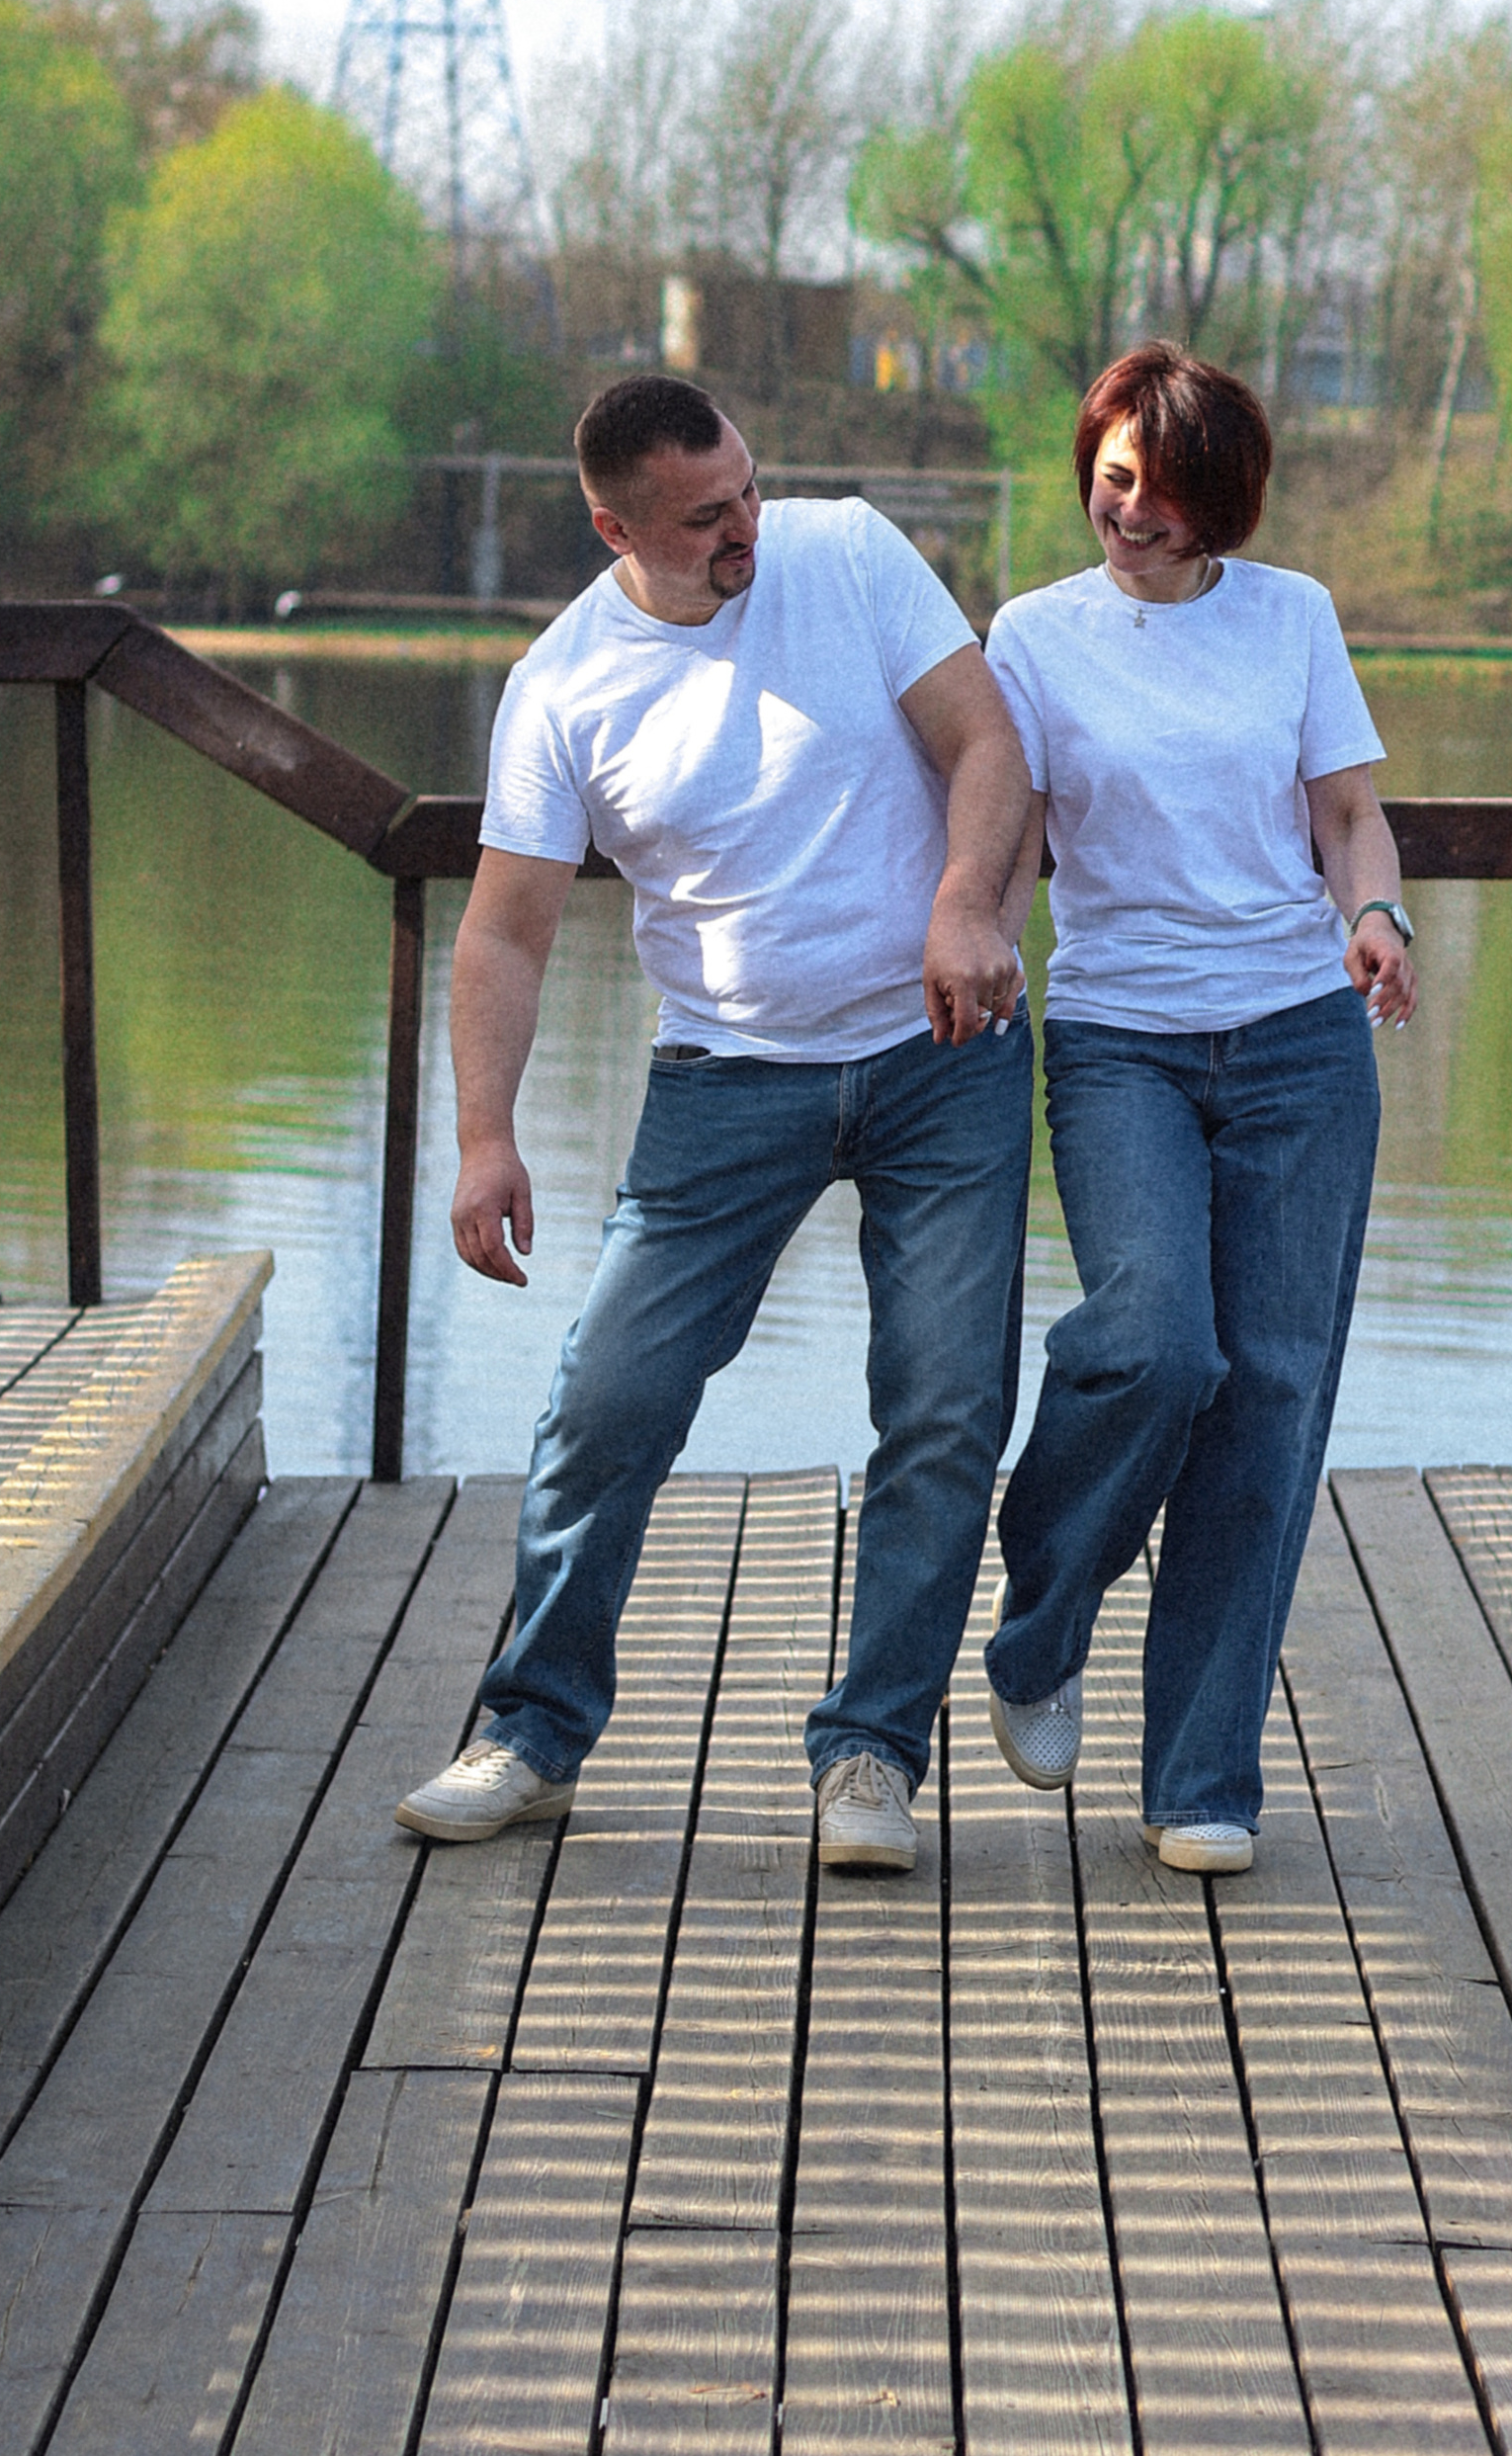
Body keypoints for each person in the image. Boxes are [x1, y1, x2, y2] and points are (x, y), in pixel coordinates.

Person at [393, 373, 1034, 1876]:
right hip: (725, 1080)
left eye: (750, 488)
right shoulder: (564, 686)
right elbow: (504, 937)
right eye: (707, 518)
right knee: (606, 1402)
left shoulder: (853, 553)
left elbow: (990, 747)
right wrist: (485, 1138)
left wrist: (961, 903)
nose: (748, 527)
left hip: (944, 1056)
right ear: (618, 528)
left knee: (944, 1410)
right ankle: (532, 1734)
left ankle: (873, 1754)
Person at [976, 341, 1416, 1875]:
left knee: (1270, 1404)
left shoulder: (1291, 617)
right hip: (1122, 1043)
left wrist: (1381, 919)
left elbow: (1349, 816)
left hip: (1302, 1040)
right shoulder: (1031, 637)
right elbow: (1004, 833)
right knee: (1159, 1340)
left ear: (1224, 504)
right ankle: (1045, 1612)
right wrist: (955, 929)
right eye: (1115, 484)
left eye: (1171, 497)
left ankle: (1202, 1778)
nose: (1137, 517)